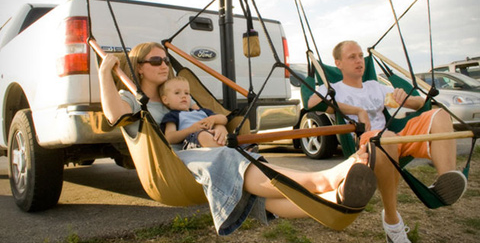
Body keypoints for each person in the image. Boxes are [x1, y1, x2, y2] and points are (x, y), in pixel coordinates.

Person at [98, 41, 377, 236]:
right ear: (140, 67)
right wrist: (104, 75)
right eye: (156, 60)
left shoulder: (179, 94)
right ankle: (324, 179)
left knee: (258, 194)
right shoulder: (135, 100)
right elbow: (113, 115)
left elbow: (211, 117)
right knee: (232, 158)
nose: (164, 65)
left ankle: (334, 199)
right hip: (175, 166)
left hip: (207, 158)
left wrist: (219, 127)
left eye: (166, 60)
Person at [308, 40, 467, 243]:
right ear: (338, 64)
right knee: (387, 138)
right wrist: (357, 110)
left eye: (360, 56)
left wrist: (405, 99)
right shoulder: (333, 88)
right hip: (366, 143)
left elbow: (421, 103)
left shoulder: (375, 86)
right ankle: (392, 221)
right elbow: (312, 103)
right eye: (352, 57)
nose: (359, 60)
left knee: (439, 115)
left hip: (392, 138)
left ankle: (446, 180)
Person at [160, 76, 227, 149]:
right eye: (177, 93)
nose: (183, 96)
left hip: (212, 134)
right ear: (165, 99)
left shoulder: (202, 111)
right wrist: (192, 129)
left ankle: (226, 148)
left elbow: (224, 119)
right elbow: (170, 137)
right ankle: (225, 149)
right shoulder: (172, 115)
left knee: (223, 133)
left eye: (187, 93)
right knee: (203, 135)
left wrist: (213, 119)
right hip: (192, 139)